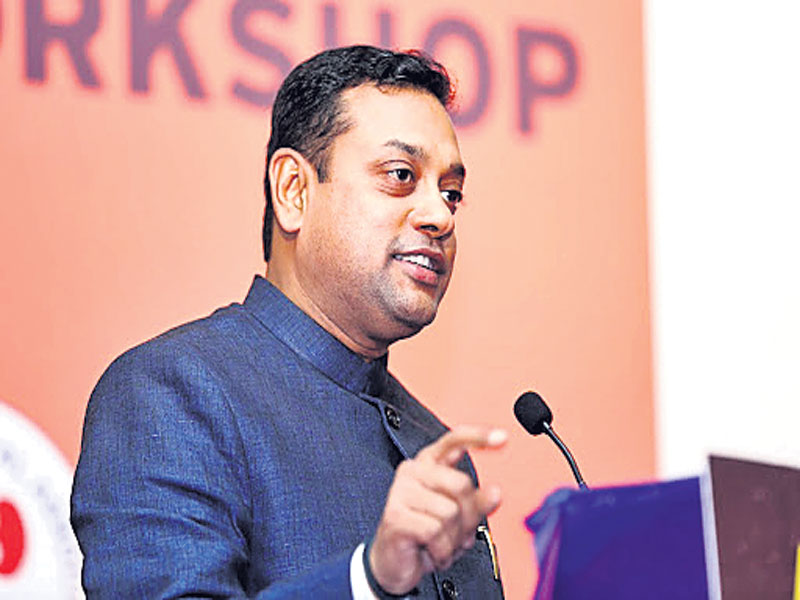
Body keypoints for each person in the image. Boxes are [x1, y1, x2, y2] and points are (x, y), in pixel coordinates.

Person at [71, 45, 506, 599]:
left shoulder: (436, 446)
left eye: (452, 193)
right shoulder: (170, 393)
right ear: (294, 191)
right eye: (401, 175)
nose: (440, 215)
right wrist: (366, 580)